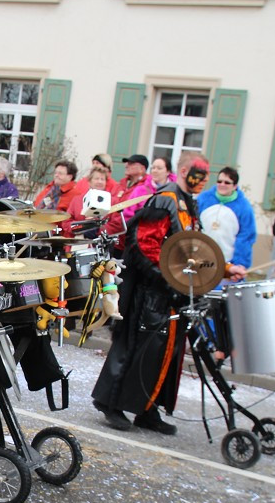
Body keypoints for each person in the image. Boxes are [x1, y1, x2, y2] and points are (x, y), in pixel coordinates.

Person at [92, 152, 246, 435]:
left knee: (165, 354)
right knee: (136, 348)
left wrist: (224, 269)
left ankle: (148, 409)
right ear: (185, 170)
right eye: (199, 173)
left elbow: (191, 249)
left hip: (171, 293)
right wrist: (164, 277)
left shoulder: (190, 205)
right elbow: (143, 244)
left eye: (206, 174)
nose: (203, 180)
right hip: (149, 292)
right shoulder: (166, 200)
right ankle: (109, 402)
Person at [196, 167, 257, 270]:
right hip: (199, 259)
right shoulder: (203, 199)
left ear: (235, 186)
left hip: (226, 262)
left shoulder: (244, 207)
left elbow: (246, 237)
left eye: (227, 183)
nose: (222, 185)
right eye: (219, 181)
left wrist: (240, 263)